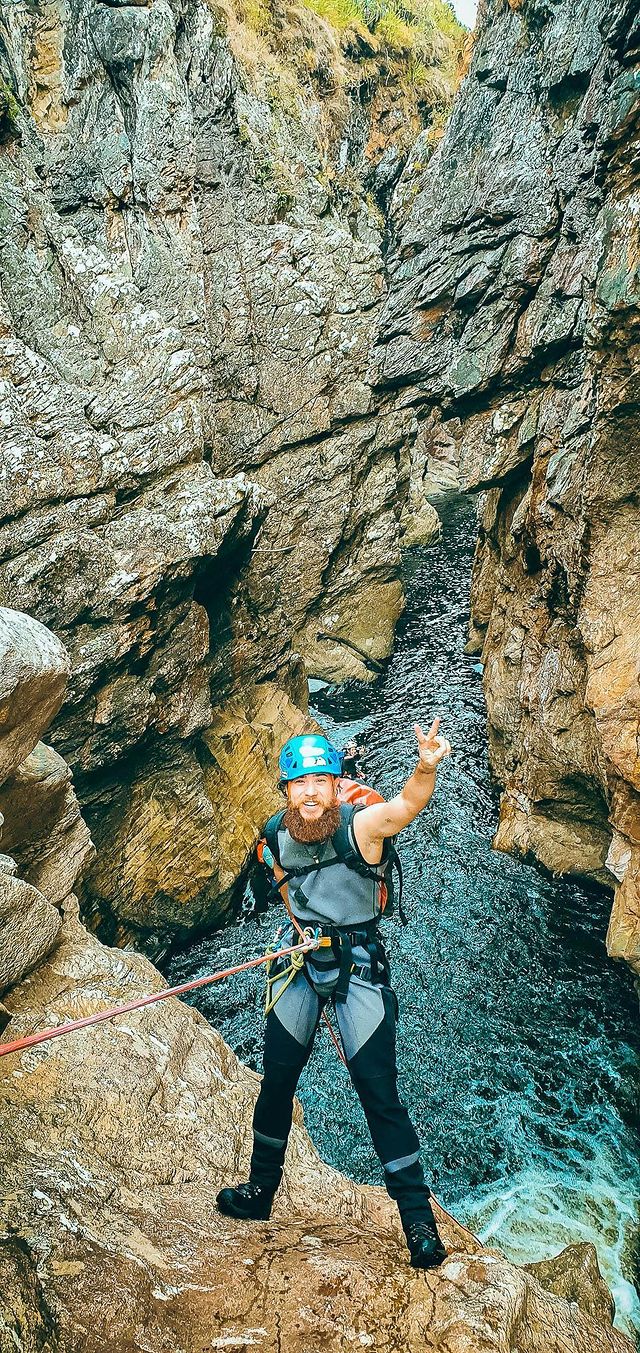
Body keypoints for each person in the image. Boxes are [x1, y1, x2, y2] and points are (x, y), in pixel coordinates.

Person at [217, 720, 452, 1268]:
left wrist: (425, 767)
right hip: (301, 961)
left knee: (378, 1093)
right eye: (300, 783)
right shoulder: (275, 835)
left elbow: (404, 808)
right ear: (286, 790)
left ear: (335, 784)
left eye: (320, 781)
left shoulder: (360, 827)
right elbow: (285, 886)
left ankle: (418, 1223)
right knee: (276, 1082)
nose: (310, 793)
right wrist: (301, 929)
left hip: (358, 963)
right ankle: (260, 1192)